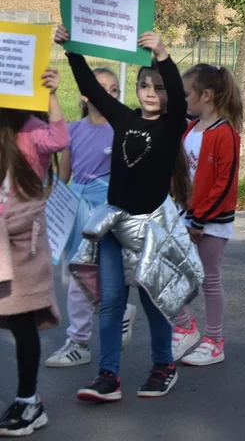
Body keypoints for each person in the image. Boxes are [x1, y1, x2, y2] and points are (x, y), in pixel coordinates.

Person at [57, 24, 194, 402]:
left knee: (152, 301)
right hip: (115, 226)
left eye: (158, 88)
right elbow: (94, 86)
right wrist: (71, 50)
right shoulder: (123, 119)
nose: (151, 93)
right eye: (144, 87)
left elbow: (179, 98)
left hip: (151, 230)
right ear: (135, 91)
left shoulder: (172, 124)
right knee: (112, 300)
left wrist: (163, 56)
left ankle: (163, 366)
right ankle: (108, 376)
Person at [0, 66, 69, 434]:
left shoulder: (30, 130)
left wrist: (52, 94)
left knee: (21, 323)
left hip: (22, 247)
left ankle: (29, 402)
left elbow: (59, 139)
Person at [48, 67, 130, 369]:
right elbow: (65, 175)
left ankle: (93, 331)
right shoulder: (73, 129)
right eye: (101, 88)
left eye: (114, 90)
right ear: (84, 94)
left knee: (97, 274)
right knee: (75, 276)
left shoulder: (120, 129)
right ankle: (83, 338)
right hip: (77, 211)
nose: (108, 94)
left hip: (105, 212)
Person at [170, 64, 243, 366]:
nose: (182, 98)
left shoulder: (225, 133)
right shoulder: (189, 129)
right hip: (183, 216)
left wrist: (199, 219)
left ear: (207, 95)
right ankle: (185, 326)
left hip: (210, 221)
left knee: (210, 279)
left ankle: (214, 340)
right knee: (168, 275)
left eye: (187, 94)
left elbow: (223, 182)